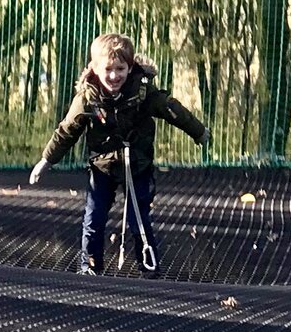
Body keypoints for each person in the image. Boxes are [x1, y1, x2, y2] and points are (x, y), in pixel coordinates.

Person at [28, 34, 207, 275]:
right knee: (94, 218)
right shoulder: (88, 98)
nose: (114, 76)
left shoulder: (142, 92)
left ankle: (149, 265)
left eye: (120, 69)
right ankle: (89, 267)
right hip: (102, 167)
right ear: (95, 68)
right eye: (108, 69)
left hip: (137, 165)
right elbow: (67, 130)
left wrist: (199, 132)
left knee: (139, 219)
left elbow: (172, 110)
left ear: (130, 66)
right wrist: (46, 160)